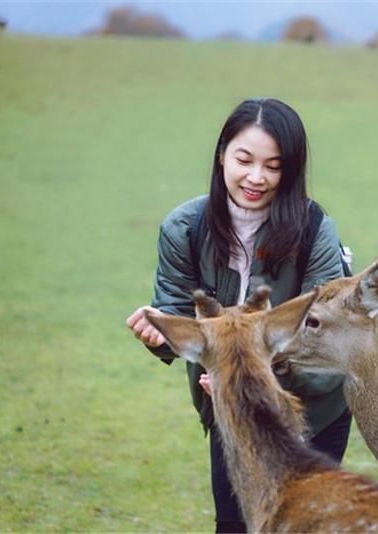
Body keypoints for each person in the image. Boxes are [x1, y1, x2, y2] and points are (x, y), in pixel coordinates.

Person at [125, 98, 351, 533]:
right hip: (229, 407)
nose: (256, 177)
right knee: (234, 525)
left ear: (291, 169)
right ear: (221, 154)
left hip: (314, 407)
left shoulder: (314, 228)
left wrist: (253, 374)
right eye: (244, 159)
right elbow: (174, 310)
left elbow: (324, 331)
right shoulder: (183, 229)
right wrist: (159, 331)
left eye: (273, 165)